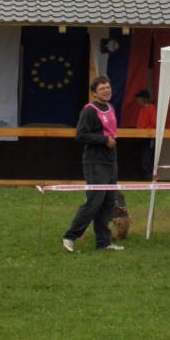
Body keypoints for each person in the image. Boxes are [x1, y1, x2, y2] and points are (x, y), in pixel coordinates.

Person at [62, 75, 124, 252]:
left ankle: (103, 242)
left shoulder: (110, 107)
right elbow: (80, 135)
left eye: (108, 87)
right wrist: (103, 140)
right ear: (94, 92)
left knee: (108, 202)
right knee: (94, 202)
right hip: (95, 161)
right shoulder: (90, 110)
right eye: (102, 88)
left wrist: (110, 142)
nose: (107, 90)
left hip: (111, 160)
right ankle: (70, 236)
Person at [134, 89, 157, 181]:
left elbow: (154, 123)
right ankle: (143, 180)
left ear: (143, 99)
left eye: (139, 98)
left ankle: (149, 181)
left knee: (147, 159)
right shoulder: (142, 109)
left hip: (148, 137)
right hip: (141, 137)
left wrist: (147, 131)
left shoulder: (150, 107)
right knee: (141, 159)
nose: (138, 100)